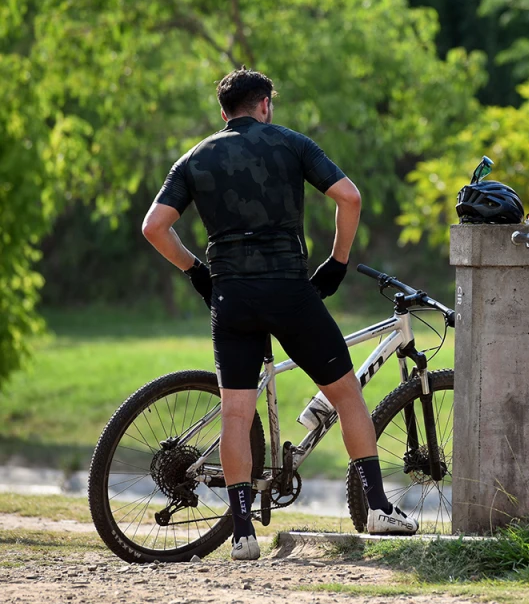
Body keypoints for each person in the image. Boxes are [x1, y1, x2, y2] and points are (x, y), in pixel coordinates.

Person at [141, 68, 417, 560]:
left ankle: (243, 533)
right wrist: (337, 261)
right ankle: (378, 508)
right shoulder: (291, 143)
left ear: (223, 112)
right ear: (264, 104)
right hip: (290, 292)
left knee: (235, 412)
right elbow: (349, 197)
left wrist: (196, 272)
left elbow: (155, 227)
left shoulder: (195, 157)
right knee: (348, 395)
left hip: (231, 297)